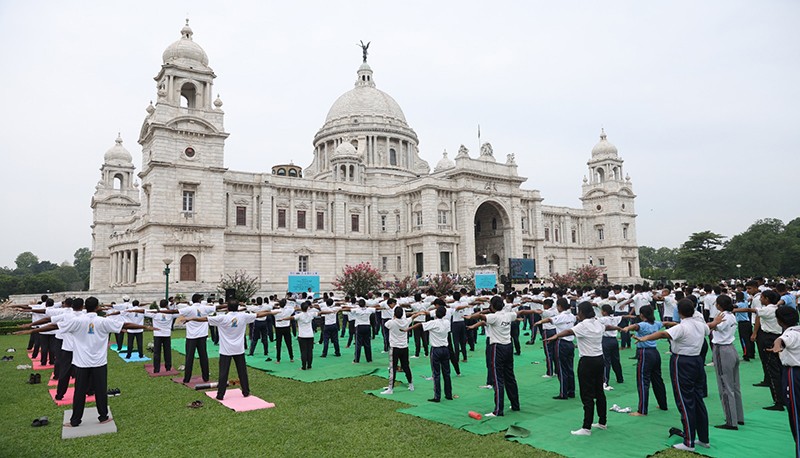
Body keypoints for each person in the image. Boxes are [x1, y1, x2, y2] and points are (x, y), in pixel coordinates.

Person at [15, 297, 153, 427]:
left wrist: (31, 330)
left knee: (79, 392)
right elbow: (126, 324)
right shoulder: (102, 321)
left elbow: (53, 325)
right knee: (100, 391)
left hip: (82, 363)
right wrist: (147, 328)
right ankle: (103, 416)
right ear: (98, 307)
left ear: (86, 307)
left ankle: (75, 420)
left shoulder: (78, 321)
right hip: (99, 363)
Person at [634, 298, 710, 452]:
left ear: (680, 312)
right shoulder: (700, 325)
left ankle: (689, 442)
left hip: (682, 362)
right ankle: (703, 438)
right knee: (698, 400)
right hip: (697, 360)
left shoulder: (682, 327)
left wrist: (645, 338)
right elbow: (710, 328)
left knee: (684, 401)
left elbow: (663, 334)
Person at [187, 299, 273, 400]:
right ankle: (246, 392)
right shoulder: (243, 316)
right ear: (238, 307)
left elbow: (205, 319)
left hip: (226, 350)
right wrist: (272, 312)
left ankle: (220, 395)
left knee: (223, 373)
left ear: (228, 308)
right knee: (242, 372)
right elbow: (258, 315)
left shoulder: (222, 318)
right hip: (239, 349)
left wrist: (191, 318)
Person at [547, 301, 608, 436]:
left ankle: (586, 427)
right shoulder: (598, 323)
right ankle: (602, 422)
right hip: (599, 359)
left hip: (587, 361)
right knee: (599, 392)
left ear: (582, 312)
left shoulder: (582, 325)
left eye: (578, 311)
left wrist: (556, 335)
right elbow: (607, 326)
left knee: (587, 395)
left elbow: (569, 331)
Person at [466, 295, 527, 417]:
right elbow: (520, 312)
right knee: (510, 376)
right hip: (508, 347)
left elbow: (481, 316)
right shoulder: (508, 315)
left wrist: (470, 317)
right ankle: (515, 404)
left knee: (497, 378)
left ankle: (498, 410)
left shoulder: (493, 317)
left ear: (492, 306)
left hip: (497, 348)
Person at [620, 305, 668, 416]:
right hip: (655, 353)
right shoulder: (656, 323)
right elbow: (666, 323)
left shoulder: (642, 325)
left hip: (645, 353)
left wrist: (626, 328)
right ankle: (663, 404)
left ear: (641, 315)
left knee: (642, 380)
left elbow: (635, 326)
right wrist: (676, 324)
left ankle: (642, 410)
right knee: (657, 379)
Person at [707, 294, 744, 429]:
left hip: (722, 349)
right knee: (734, 386)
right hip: (731, 349)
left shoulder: (722, 317)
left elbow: (711, 327)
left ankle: (731, 421)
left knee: (725, 386)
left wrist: (712, 322)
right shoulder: (731, 315)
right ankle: (738, 417)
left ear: (719, 305)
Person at [768, 306, 800, 456]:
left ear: (780, 321)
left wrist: (777, 345)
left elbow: (782, 340)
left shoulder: (790, 333)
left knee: (795, 415)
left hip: (794, 373)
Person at [406, 305, 453, 403]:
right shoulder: (447, 322)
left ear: (435, 314)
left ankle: (437, 396)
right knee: (446, 373)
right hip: (445, 348)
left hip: (436, 350)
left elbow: (420, 325)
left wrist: (408, 329)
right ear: (444, 314)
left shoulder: (433, 323)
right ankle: (448, 394)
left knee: (436, 374)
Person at [535, 297, 576, 399]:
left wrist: (539, 322)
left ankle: (563, 393)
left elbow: (550, 320)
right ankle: (571, 391)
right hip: (570, 343)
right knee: (570, 368)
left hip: (562, 343)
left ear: (560, 306)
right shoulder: (572, 316)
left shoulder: (561, 316)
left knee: (561, 368)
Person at [178, 294, 223, 383]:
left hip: (191, 336)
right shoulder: (204, 308)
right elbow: (218, 307)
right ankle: (205, 377)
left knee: (189, 358)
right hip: (202, 336)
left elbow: (176, 311)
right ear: (199, 300)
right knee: (203, 356)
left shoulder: (189, 309)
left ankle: (187, 378)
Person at [382, 306, 414, 394]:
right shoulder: (406, 321)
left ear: (394, 314)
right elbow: (412, 317)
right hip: (404, 347)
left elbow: (386, 325)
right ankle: (411, 384)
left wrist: (394, 317)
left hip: (395, 347)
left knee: (393, 368)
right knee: (406, 366)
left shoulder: (391, 322)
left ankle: (390, 388)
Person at [279, 301, 318, 370]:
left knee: (303, 351)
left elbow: (291, 318)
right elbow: (320, 313)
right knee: (310, 351)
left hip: (302, 335)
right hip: (310, 335)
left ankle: (303, 366)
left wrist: (282, 319)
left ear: (301, 308)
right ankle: (309, 365)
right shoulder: (311, 314)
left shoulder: (299, 315)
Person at [144, 300, 178, 373]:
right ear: (166, 305)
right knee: (167, 352)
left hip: (157, 335)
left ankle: (156, 369)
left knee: (157, 352)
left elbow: (145, 312)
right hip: (166, 334)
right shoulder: (170, 314)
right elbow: (179, 312)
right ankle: (168, 368)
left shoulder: (156, 313)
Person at [598, 304, 623, 390]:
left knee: (606, 361)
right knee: (616, 360)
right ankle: (620, 378)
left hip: (606, 340)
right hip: (614, 340)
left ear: (604, 312)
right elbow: (622, 316)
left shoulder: (603, 319)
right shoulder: (615, 318)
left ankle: (605, 381)